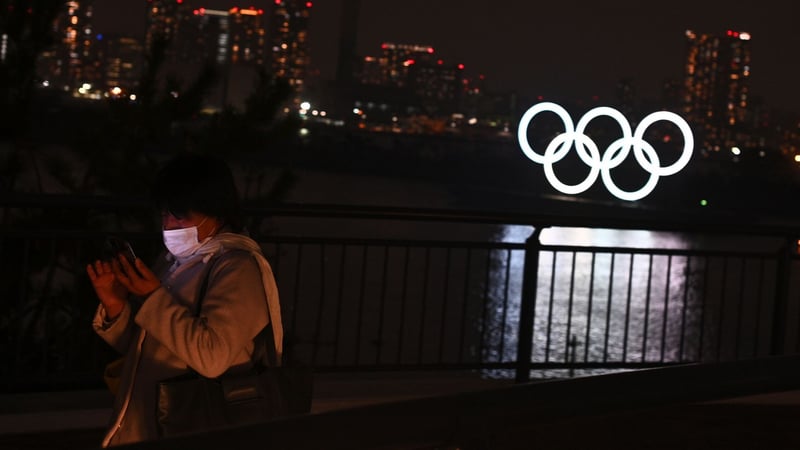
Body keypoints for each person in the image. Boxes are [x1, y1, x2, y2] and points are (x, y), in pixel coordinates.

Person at [86, 153, 282, 447]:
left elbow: (211, 357)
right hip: (151, 418)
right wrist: (116, 306)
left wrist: (153, 297)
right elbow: (152, 346)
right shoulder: (175, 261)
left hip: (194, 423)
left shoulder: (237, 267)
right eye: (165, 213)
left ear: (214, 210)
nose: (169, 224)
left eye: (180, 214)